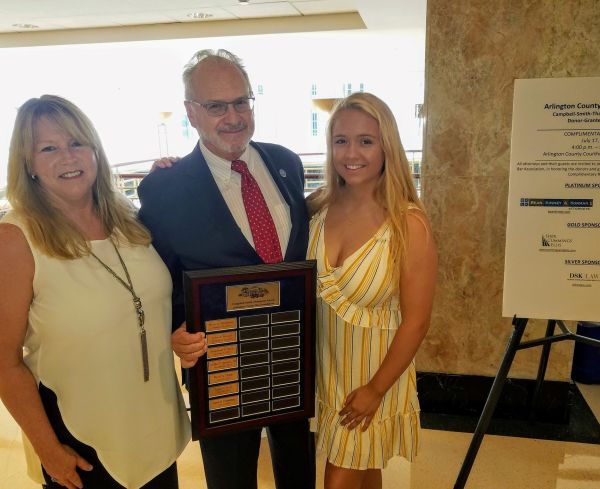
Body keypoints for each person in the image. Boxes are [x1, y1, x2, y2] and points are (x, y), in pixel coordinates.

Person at [137, 49, 315, 489]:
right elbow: (158, 277)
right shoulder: (165, 188)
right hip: (221, 362)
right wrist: (175, 328)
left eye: (241, 101)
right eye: (216, 106)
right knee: (232, 477)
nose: (233, 117)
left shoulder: (286, 163)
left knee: (300, 467)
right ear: (190, 113)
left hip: (293, 350)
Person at [0, 95, 191, 489]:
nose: (67, 157)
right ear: (27, 164)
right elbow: (3, 361)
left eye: (76, 143)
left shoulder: (130, 223)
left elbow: (151, 307)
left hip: (156, 433)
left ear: (95, 151)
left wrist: (175, 180)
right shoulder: (16, 238)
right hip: (79, 442)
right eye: (48, 148)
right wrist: (47, 448)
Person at [306, 92, 437, 489]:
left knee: (338, 477)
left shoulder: (408, 223)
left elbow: (416, 321)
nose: (352, 153)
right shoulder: (318, 206)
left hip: (376, 374)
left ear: (387, 147)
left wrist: (376, 389)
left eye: (366, 141)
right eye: (341, 140)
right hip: (329, 371)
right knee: (365, 467)